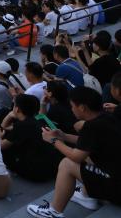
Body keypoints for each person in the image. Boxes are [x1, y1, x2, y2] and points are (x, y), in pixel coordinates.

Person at [27, 86, 121, 217]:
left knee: (67, 164)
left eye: (72, 106)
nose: (71, 109)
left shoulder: (91, 126)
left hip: (116, 188)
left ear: (82, 107)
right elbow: (89, 143)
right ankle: (87, 195)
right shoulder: (106, 118)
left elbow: (76, 156)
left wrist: (53, 141)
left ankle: (54, 211)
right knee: (88, 155)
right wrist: (64, 136)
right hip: (115, 176)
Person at [0, 94, 60, 182]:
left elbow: (1, 146)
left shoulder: (22, 126)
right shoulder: (38, 119)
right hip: (52, 168)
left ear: (17, 109)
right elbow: (5, 126)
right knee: (12, 136)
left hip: (36, 173)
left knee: (1, 148)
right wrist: (10, 116)